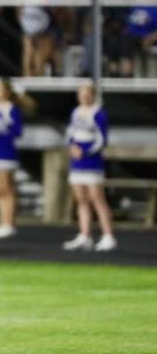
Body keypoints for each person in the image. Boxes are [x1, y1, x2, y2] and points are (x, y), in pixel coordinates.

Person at [62, 83, 116, 252]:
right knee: (81, 199)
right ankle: (85, 235)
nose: (84, 96)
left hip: (92, 161)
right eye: (81, 93)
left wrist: (84, 152)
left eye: (87, 93)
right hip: (77, 161)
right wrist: (71, 147)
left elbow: (101, 140)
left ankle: (108, 235)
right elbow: (70, 133)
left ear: (93, 95)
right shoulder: (76, 112)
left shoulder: (99, 113)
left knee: (97, 199)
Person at [0, 78, 24, 239]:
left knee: (7, 189)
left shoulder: (12, 108)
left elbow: (17, 131)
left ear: (6, 92)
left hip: (6, 153)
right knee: (0, 190)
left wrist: (0, 130)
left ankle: (9, 223)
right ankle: (3, 222)